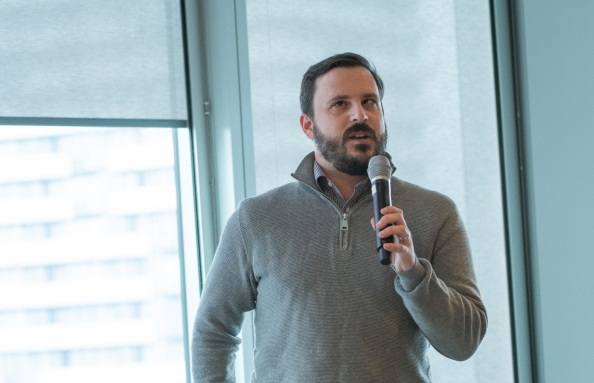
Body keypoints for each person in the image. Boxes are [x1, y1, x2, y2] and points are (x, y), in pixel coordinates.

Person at [191, 53, 487, 382]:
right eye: (340, 104)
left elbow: (464, 342)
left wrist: (414, 274)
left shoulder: (435, 212)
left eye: (369, 102)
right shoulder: (256, 219)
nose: (359, 114)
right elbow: (212, 334)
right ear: (308, 125)